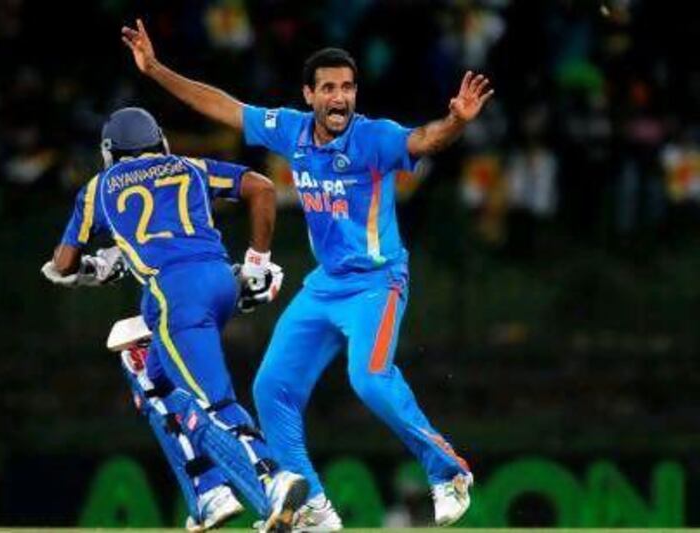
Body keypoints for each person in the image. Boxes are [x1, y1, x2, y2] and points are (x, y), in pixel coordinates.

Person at [121, 18, 493, 529]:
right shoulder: (291, 130)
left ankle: (448, 471)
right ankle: (313, 507)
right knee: (270, 387)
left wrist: (456, 122)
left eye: (347, 88)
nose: (339, 98)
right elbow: (224, 106)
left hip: (376, 283)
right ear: (309, 95)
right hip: (324, 286)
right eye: (329, 89)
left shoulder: (374, 138)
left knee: (370, 379)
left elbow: (424, 141)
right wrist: (157, 69)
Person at [41, 106, 309, 533]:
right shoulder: (189, 166)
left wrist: (98, 266)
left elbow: (64, 263)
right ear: (159, 141)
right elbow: (260, 188)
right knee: (149, 373)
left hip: (174, 294)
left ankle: (273, 480)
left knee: (213, 402)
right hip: (221, 280)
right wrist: (256, 263)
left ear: (111, 153)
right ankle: (208, 491)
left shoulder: (99, 187)